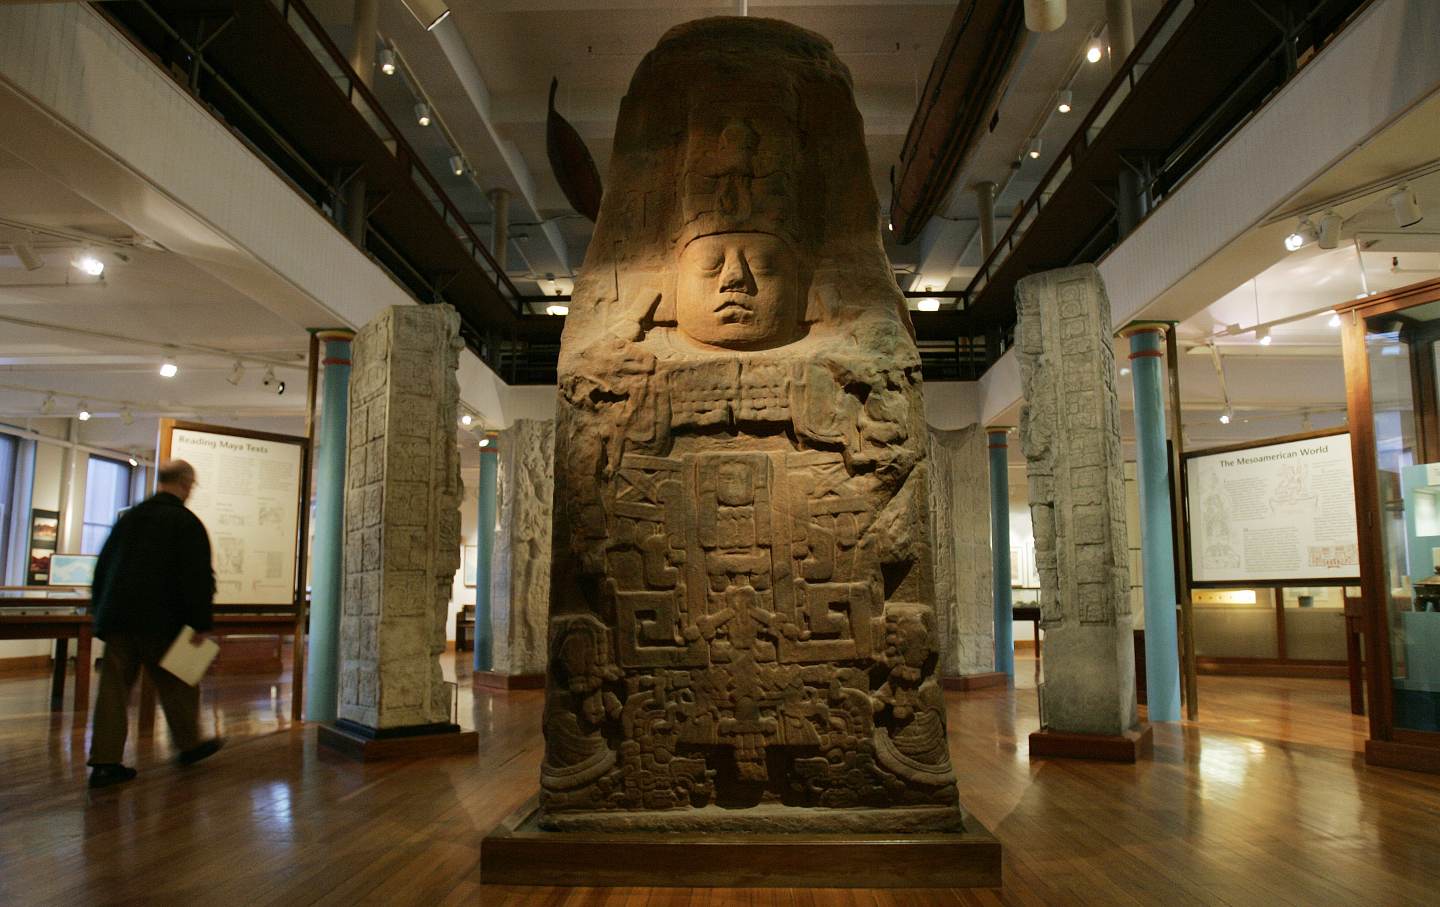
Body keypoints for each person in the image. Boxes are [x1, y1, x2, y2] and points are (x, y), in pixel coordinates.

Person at [87, 459, 223, 789]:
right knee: (179, 681)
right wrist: (200, 622)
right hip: (163, 621)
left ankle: (105, 762)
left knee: (113, 691)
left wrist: (100, 612)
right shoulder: (185, 522)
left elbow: (103, 568)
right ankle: (189, 745)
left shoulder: (129, 519)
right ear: (186, 483)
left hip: (119, 619)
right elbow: (196, 578)